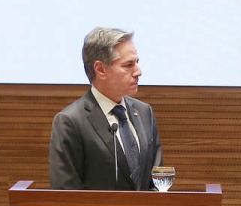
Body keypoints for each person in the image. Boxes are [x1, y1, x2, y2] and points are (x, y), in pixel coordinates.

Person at [50, 27, 163, 190]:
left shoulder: (144, 112)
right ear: (101, 69)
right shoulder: (71, 122)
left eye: (137, 62)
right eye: (128, 65)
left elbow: (157, 181)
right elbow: (66, 192)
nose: (138, 72)